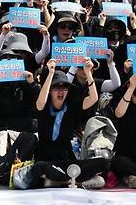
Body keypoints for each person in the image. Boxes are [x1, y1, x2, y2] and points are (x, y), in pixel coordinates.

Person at [32, 59, 108, 188]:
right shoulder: (44, 107)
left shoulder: (72, 106)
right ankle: (74, 181)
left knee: (103, 163)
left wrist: (88, 73)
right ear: (50, 90)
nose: (61, 92)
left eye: (65, 88)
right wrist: (50, 74)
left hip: (67, 160)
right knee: (40, 168)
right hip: (46, 159)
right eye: (57, 88)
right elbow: (40, 103)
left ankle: (63, 180)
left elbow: (94, 98)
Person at [112, 74, 136, 188]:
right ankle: (130, 177)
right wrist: (131, 87)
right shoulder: (126, 106)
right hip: (126, 156)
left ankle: (131, 178)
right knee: (119, 163)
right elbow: (118, 113)